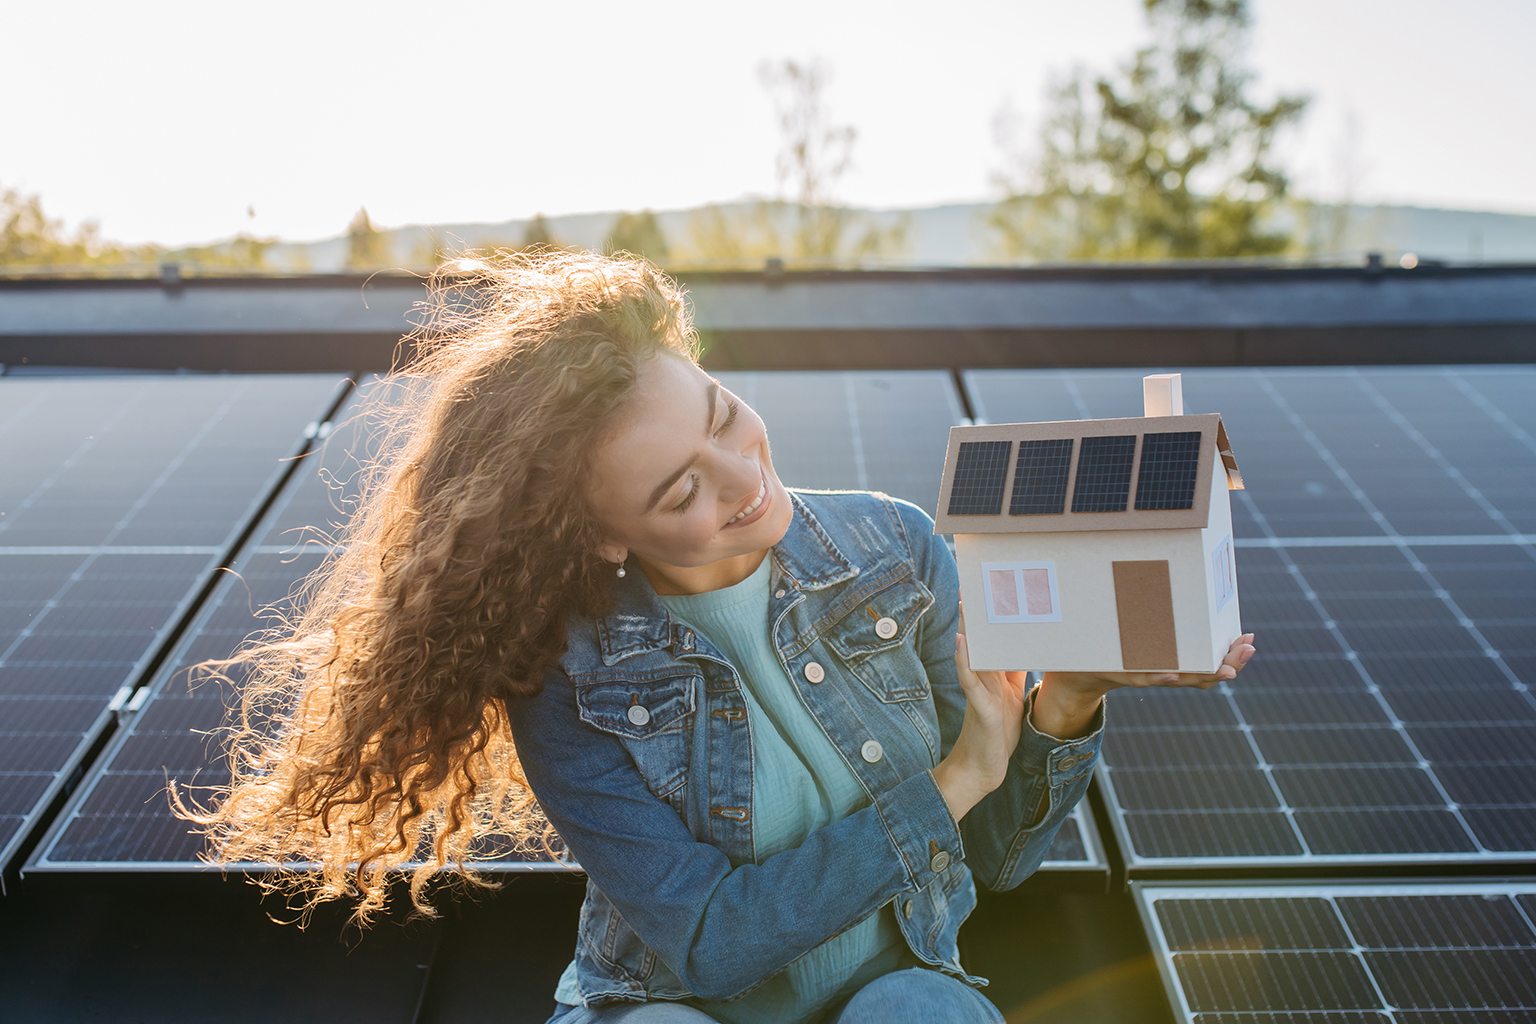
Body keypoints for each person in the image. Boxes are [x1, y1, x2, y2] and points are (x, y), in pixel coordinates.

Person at [193, 251, 1255, 1024]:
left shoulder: (899, 550)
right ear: (602, 536)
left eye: (720, 416)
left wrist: (1068, 702)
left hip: (892, 991)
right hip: (669, 1006)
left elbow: (997, 860)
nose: (747, 480)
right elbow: (709, 940)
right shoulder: (566, 676)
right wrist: (957, 773)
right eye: (681, 490)